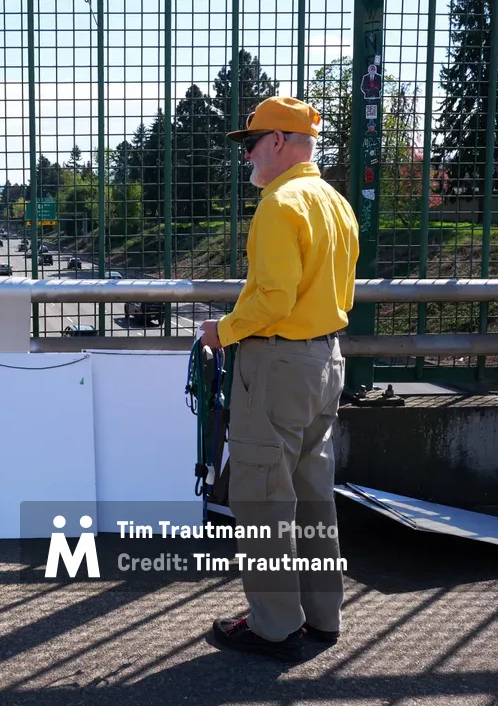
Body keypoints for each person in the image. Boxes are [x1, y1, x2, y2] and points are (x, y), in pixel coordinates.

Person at [200, 96, 359, 661]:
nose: (246, 156)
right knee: (314, 491)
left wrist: (222, 329)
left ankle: (274, 627)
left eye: (249, 144)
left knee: (263, 493)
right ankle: (322, 617)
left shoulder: (279, 204)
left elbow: (272, 299)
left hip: (277, 364)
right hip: (326, 360)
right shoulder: (335, 204)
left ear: (275, 142)